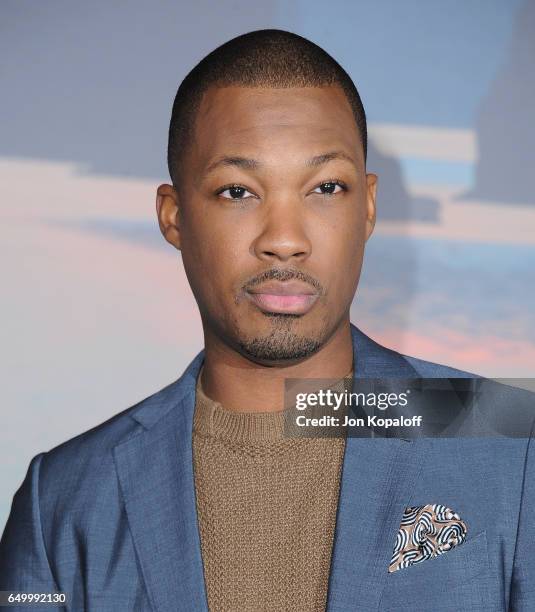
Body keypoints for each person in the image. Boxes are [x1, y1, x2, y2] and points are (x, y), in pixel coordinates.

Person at [1, 28, 534, 612]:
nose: (284, 240)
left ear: (369, 207)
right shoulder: (64, 501)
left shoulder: (513, 446)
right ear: (174, 216)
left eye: (326, 187)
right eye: (238, 191)